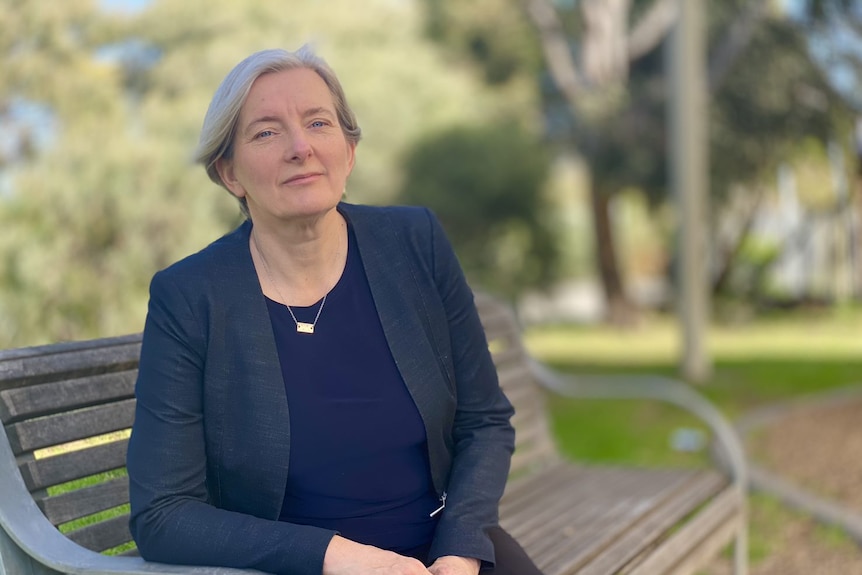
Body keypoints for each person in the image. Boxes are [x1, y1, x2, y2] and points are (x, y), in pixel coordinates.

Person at [126, 46, 543, 575]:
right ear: (229, 173)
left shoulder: (415, 243)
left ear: (348, 151)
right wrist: (340, 559)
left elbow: (484, 421)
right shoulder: (190, 296)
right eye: (266, 132)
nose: (300, 147)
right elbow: (162, 514)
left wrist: (459, 549)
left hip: (446, 556)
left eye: (318, 122)